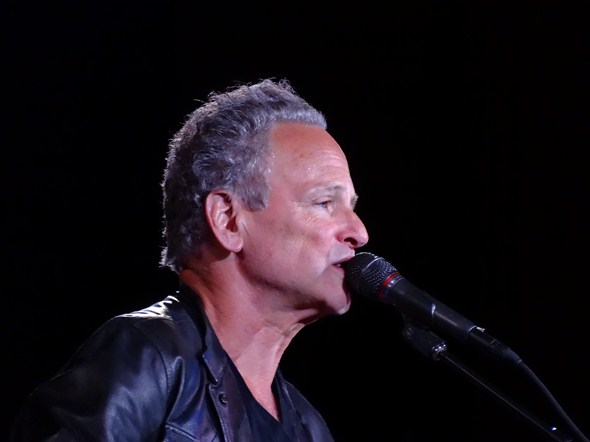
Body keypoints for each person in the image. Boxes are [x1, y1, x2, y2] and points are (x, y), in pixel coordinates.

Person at [11, 78, 369, 441]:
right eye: (324, 203)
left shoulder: (308, 429)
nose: (359, 232)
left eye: (352, 207)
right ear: (227, 220)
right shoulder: (146, 359)